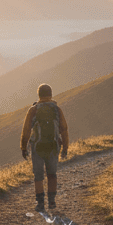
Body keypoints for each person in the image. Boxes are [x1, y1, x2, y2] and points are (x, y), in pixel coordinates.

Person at [20, 83, 69, 212]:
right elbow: (64, 129)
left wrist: (23, 147)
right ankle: (52, 202)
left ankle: (40, 203)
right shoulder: (57, 109)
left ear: (39, 94)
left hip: (37, 147)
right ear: (51, 94)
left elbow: (26, 131)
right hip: (53, 146)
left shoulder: (33, 110)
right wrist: (65, 148)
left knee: (38, 176)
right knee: (52, 174)